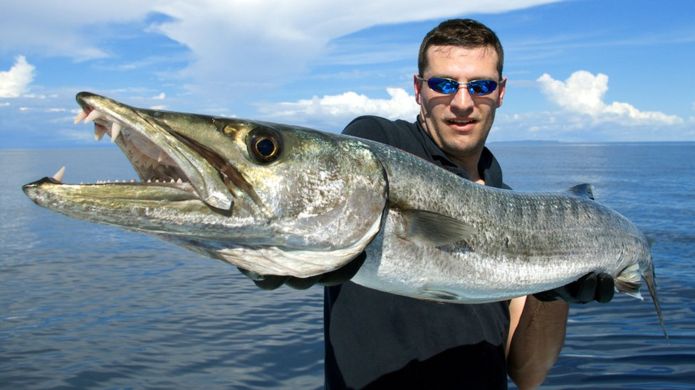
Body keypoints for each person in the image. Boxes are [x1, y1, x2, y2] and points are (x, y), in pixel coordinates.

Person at [242, 18, 614, 389]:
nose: (463, 102)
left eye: (481, 86)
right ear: (418, 90)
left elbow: (528, 374)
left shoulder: (514, 208)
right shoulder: (376, 144)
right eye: (444, 84)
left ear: (500, 93)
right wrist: (266, 253)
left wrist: (553, 293)